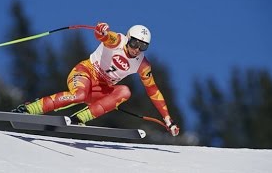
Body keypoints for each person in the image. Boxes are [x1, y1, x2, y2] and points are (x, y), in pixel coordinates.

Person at [12, 22, 179, 136]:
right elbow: (104, 37)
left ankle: (80, 118)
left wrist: (167, 119)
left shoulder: (142, 64)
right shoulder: (118, 40)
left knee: (124, 91)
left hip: (100, 89)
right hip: (85, 72)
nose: (137, 49)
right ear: (128, 38)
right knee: (78, 96)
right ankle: (30, 108)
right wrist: (101, 31)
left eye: (143, 46)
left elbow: (153, 91)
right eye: (135, 43)